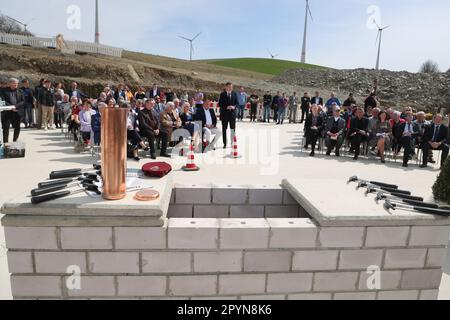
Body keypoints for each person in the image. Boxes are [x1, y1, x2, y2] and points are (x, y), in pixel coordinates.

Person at [1, 78, 24, 143]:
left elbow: (22, 101)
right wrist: (11, 107)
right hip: (7, 112)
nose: (16, 84)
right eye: (14, 83)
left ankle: (15, 140)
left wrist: (16, 107)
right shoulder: (3, 91)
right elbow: (3, 100)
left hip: (17, 112)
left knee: (17, 127)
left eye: (17, 83)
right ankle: (6, 142)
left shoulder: (20, 91)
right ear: (10, 83)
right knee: (6, 128)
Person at [218, 82, 238, 148]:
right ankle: (225, 143)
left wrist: (234, 107)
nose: (230, 88)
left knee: (233, 129)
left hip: (232, 115)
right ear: (226, 87)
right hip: (224, 115)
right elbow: (220, 104)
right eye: (229, 87)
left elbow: (237, 103)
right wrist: (226, 107)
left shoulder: (234, 93)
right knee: (224, 129)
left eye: (231, 87)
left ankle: (232, 143)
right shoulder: (222, 94)